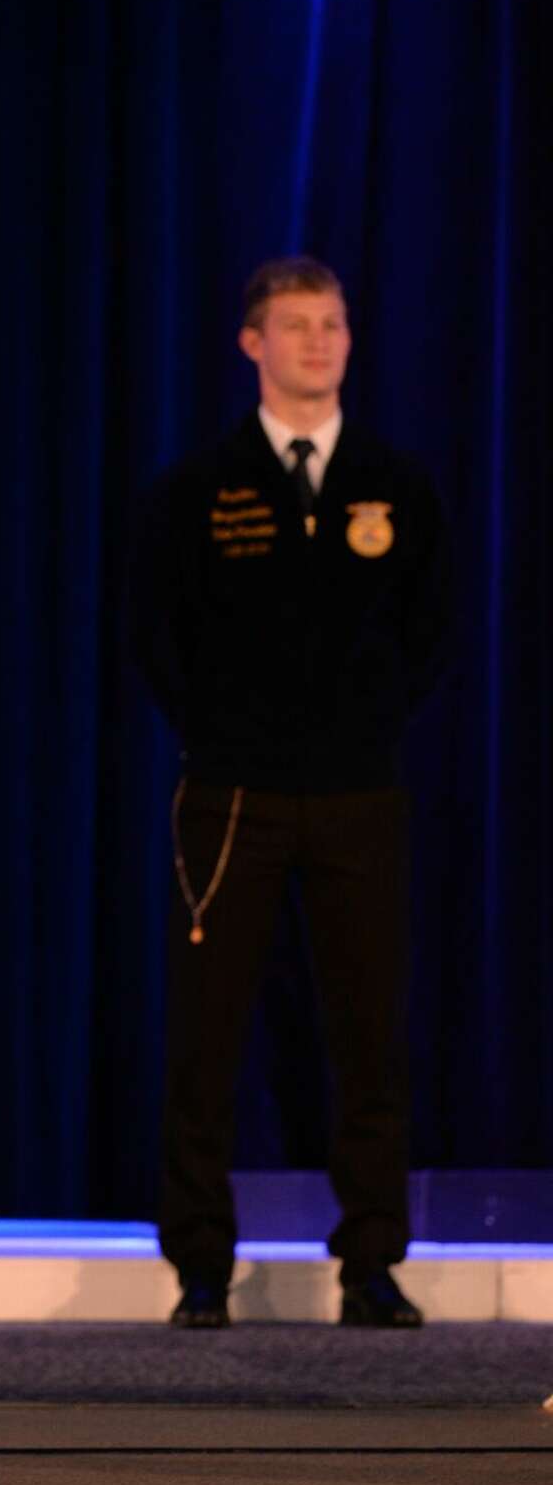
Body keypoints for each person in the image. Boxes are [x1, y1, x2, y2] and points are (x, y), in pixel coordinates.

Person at [128, 256, 451, 1331]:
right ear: (252, 343)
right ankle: (202, 1270)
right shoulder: (198, 489)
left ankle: (371, 1263)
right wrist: (224, 733)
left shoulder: (396, 486)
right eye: (296, 324)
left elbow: (429, 636)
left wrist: (363, 725)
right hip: (231, 798)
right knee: (207, 1037)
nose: (320, 340)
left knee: (369, 1031)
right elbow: (157, 637)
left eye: (334, 323)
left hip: (360, 794)